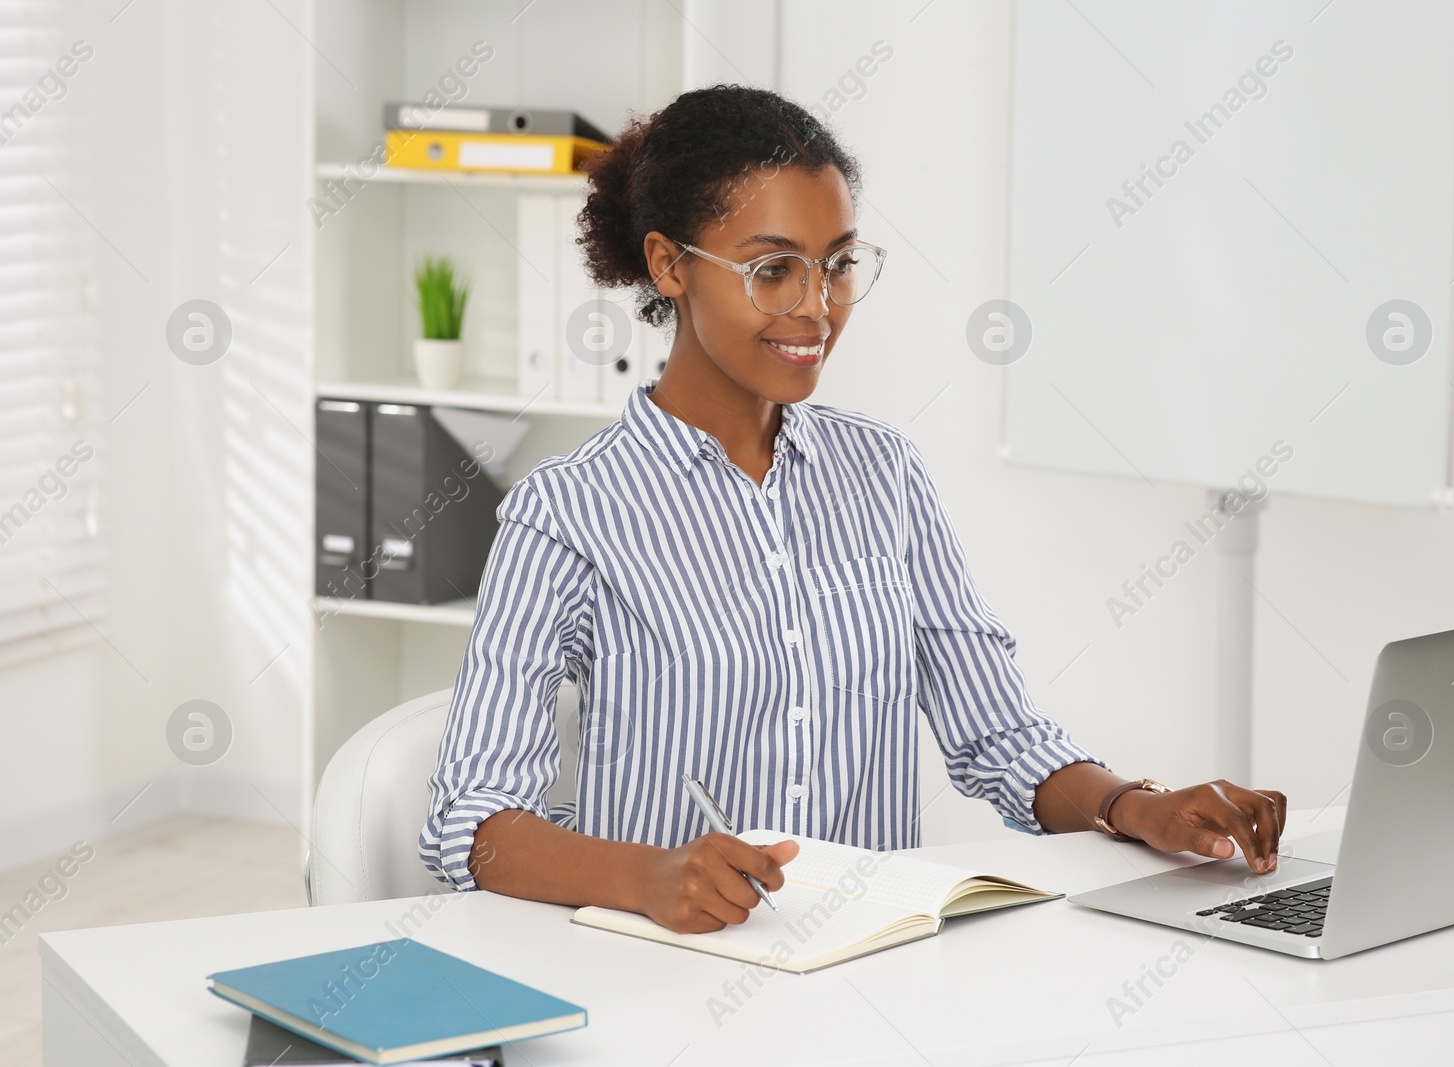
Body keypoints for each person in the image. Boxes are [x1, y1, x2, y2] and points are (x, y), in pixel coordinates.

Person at [420, 84, 1286, 935]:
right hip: (671, 972)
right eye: (772, 270)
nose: (816, 307)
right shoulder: (568, 513)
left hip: (871, 965)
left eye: (836, 264)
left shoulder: (883, 473)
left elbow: (997, 732)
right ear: (668, 264)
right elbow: (471, 821)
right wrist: (648, 875)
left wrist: (1137, 808)